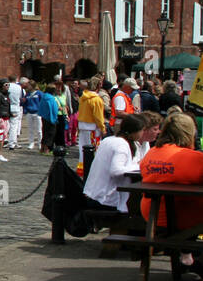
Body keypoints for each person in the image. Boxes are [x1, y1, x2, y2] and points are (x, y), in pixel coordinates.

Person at [139, 112, 203, 267]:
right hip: (184, 217)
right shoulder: (194, 158)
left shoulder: (151, 154)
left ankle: (189, 258)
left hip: (152, 216)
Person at [82, 114, 157, 214]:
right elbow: (116, 170)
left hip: (93, 194)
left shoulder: (108, 140)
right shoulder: (122, 144)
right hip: (105, 198)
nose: (142, 133)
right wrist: (141, 165)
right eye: (142, 130)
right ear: (134, 131)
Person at [6, 75, 24, 149]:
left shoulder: (7, 86)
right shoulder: (19, 87)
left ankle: (11, 141)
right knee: (14, 126)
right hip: (16, 106)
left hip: (7, 106)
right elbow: (21, 97)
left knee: (8, 125)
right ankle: (12, 143)